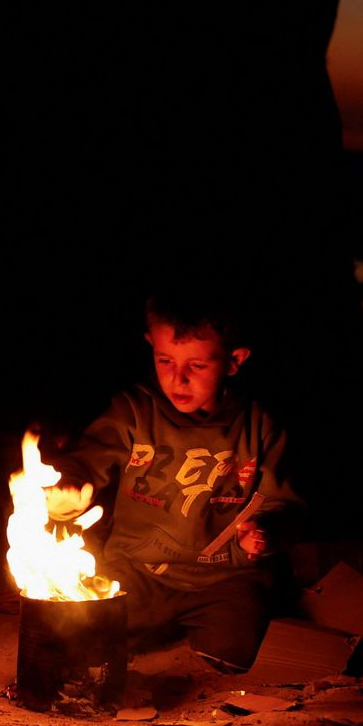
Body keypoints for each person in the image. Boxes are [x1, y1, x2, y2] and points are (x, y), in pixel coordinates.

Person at [39, 282, 305, 673]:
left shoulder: (259, 426)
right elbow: (88, 461)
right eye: (165, 361)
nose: (178, 379)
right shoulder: (133, 410)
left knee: (234, 651)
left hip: (224, 580)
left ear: (234, 360)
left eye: (196, 366)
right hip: (138, 569)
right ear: (150, 344)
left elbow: (284, 503)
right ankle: (149, 626)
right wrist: (70, 487)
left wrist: (266, 530)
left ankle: (192, 628)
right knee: (86, 635)